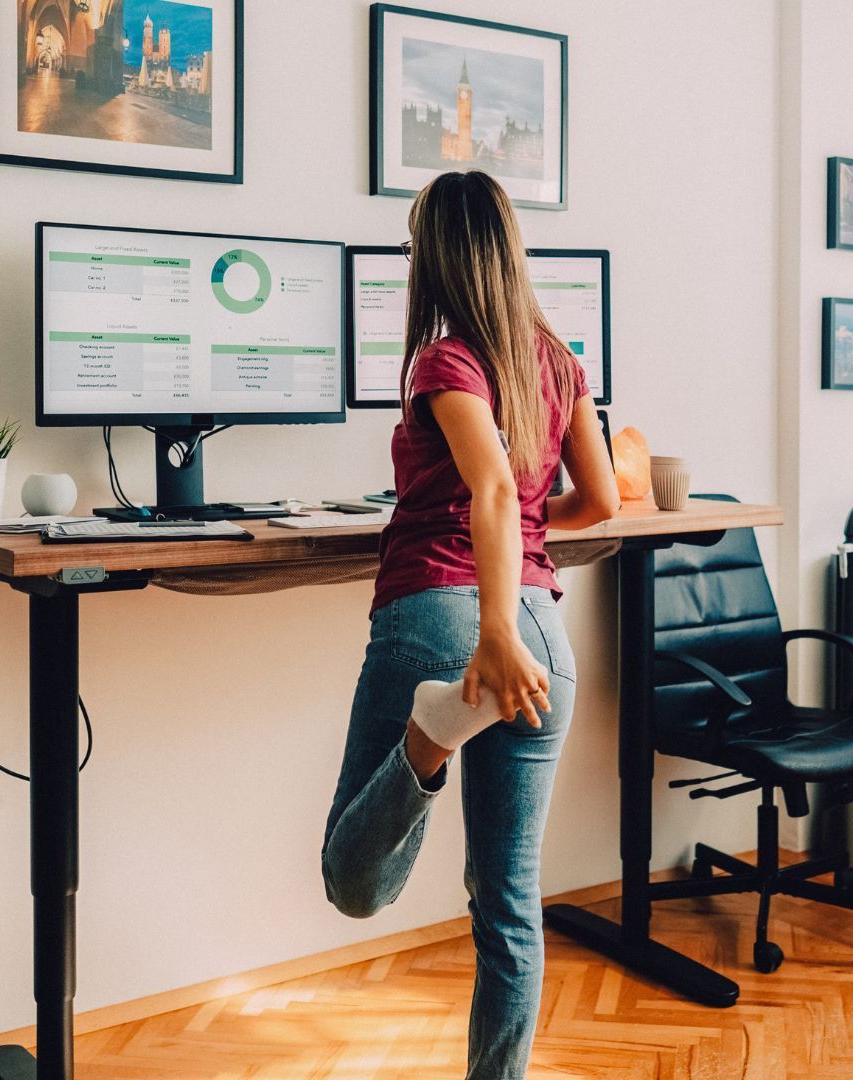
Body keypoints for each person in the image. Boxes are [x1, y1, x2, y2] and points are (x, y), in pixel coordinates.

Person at [319, 170, 621, 1078]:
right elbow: (598, 501)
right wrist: (531, 538)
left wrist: (492, 631)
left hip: (448, 615)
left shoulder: (443, 360)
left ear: (432, 259)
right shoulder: (559, 361)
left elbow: (490, 486)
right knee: (509, 902)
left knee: (352, 883)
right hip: (546, 635)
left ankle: (428, 737)